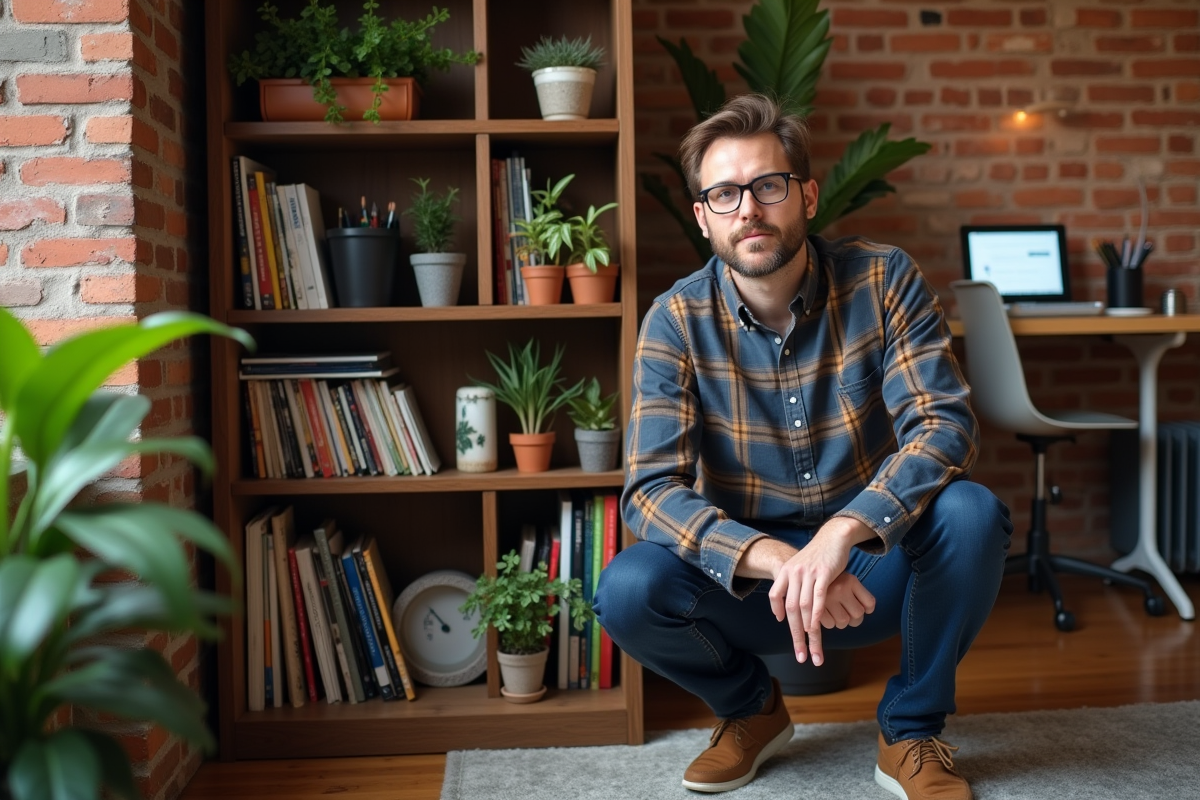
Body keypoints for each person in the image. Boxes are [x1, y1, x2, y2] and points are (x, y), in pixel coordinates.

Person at [594, 93, 1012, 800]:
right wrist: (785, 559)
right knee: (627, 590)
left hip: (872, 570)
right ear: (703, 217)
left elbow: (943, 424)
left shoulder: (883, 279)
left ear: (807, 196)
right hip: (755, 583)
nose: (748, 209)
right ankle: (751, 711)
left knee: (971, 514)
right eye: (724, 195)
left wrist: (842, 535)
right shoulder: (675, 321)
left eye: (769, 185)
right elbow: (651, 492)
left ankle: (910, 730)